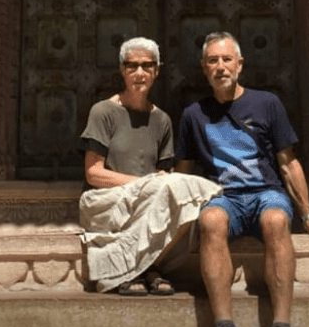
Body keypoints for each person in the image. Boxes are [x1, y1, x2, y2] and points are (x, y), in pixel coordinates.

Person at [175, 31, 309, 327]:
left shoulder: (267, 104)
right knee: (211, 219)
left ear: (240, 64)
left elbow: (288, 163)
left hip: (267, 194)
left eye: (226, 59)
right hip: (225, 198)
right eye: (213, 61)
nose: (221, 67)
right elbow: (184, 174)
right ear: (204, 68)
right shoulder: (194, 114)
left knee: (277, 220)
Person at [77, 36, 222, 296]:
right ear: (122, 70)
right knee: (165, 192)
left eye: (146, 66)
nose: (139, 73)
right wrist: (142, 183)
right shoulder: (103, 112)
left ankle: (147, 266)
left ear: (156, 71)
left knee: (191, 195)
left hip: (146, 198)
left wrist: (155, 184)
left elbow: (163, 173)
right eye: (132, 66)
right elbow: (93, 173)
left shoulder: (162, 120)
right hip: (106, 199)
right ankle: (141, 269)